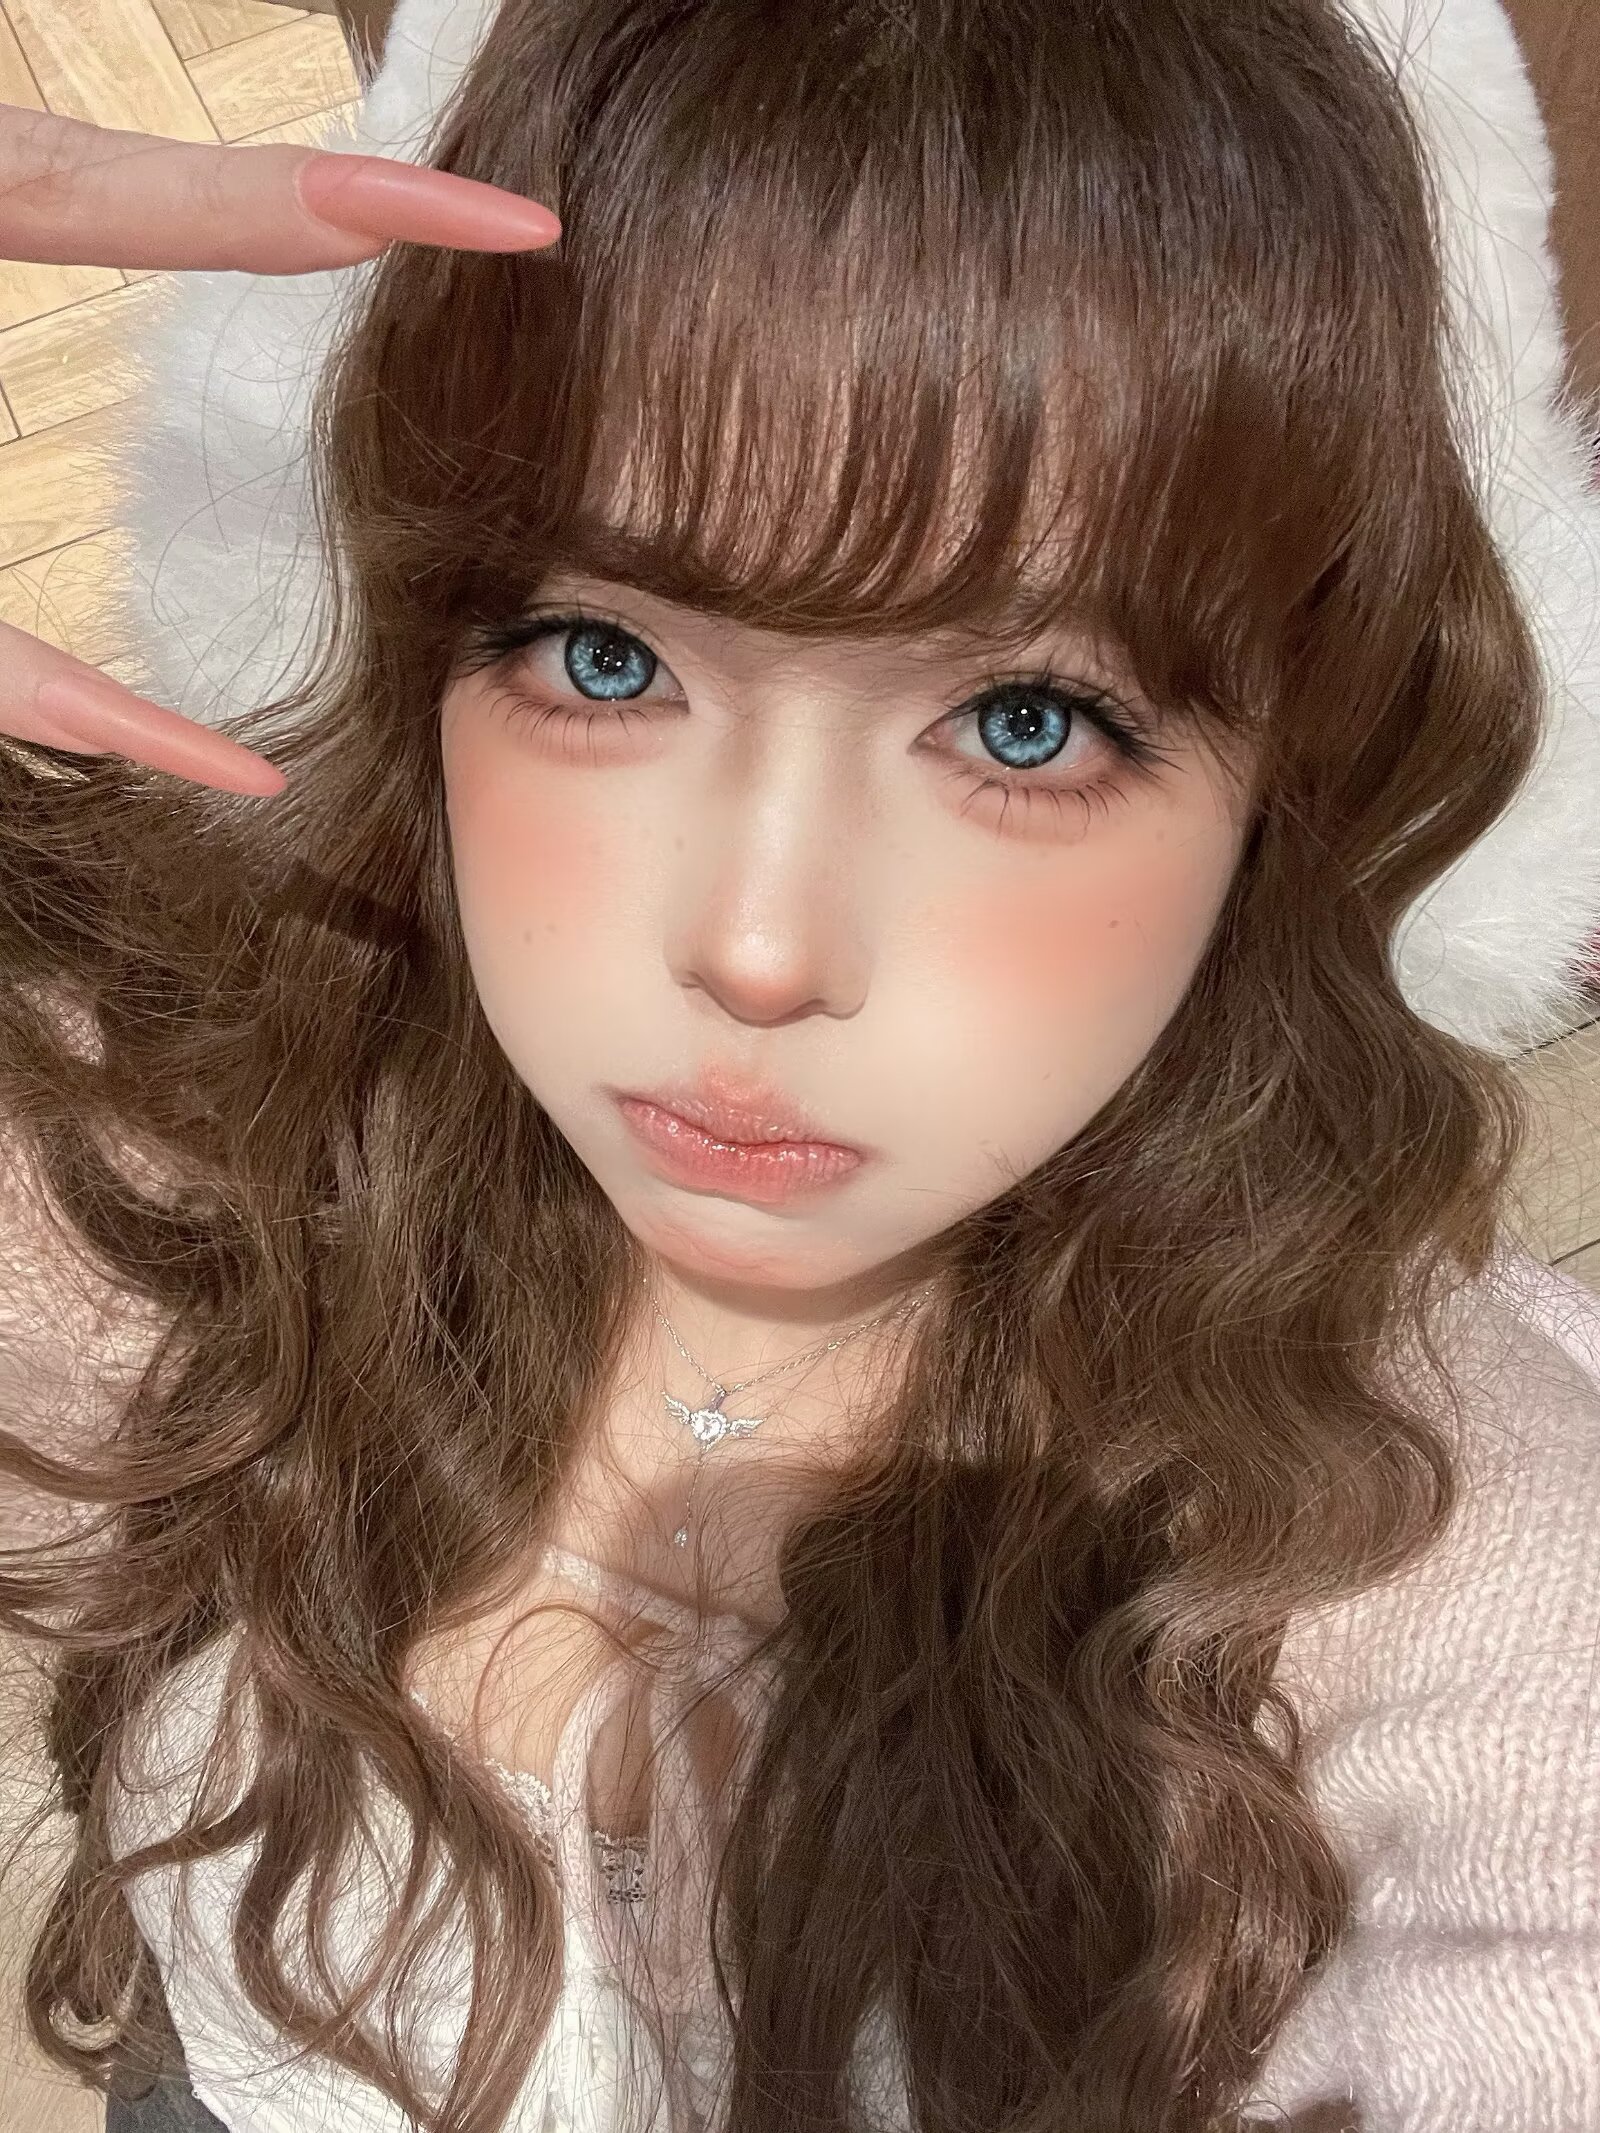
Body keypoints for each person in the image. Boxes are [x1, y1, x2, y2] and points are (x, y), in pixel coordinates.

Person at [0, 1, 1598, 2129]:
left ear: (1286, 783)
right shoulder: (192, 1144)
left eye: (1025, 720)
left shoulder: (1430, 1528)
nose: (755, 948)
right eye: (604, 655)